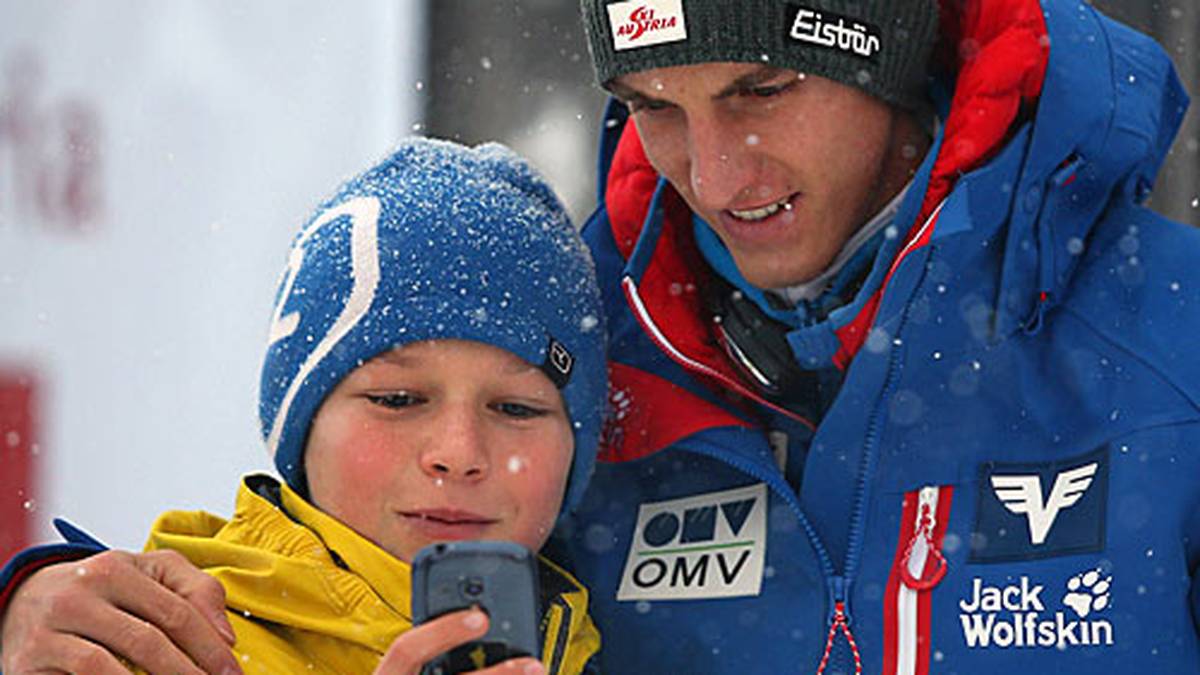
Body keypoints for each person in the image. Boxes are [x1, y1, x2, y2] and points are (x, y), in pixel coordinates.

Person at [4, 0, 1200, 672]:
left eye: (760, 91)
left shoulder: (1171, 347)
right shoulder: (569, 363)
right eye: (654, 109)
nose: (716, 175)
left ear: (889, 59)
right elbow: (307, 581)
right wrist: (33, 617)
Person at [0, 137, 607, 674]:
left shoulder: (617, 644)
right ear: (302, 425)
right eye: (397, 400)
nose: (459, 453)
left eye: (516, 409)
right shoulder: (158, 650)